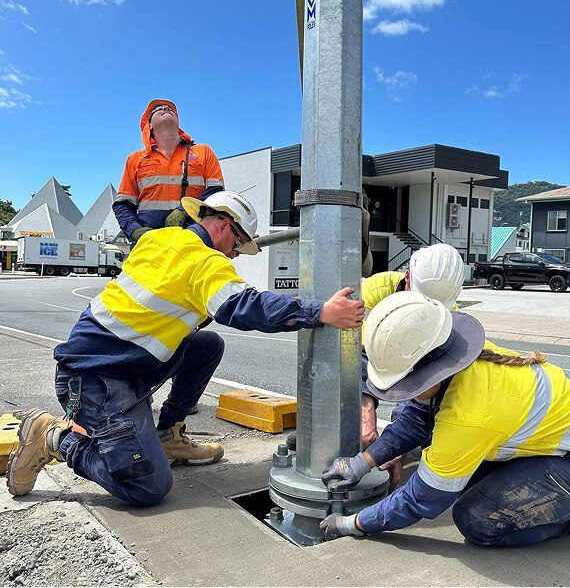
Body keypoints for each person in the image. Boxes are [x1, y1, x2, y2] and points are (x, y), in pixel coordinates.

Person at [7, 191, 365, 507]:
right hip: (95, 381)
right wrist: (319, 312)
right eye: (238, 244)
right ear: (224, 226)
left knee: (205, 344)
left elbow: (170, 298)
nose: (236, 255)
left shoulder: (159, 240)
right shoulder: (204, 263)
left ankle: (167, 435)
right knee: (148, 487)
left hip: (119, 364)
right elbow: (244, 306)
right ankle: (55, 437)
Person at [319, 291, 570, 545]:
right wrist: (362, 462)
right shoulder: (461, 359)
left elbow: (422, 498)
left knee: (477, 521)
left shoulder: (469, 415)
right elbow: (415, 420)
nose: (403, 394)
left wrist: (354, 524)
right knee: (460, 481)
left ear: (428, 374)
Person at [359, 243, 465, 490]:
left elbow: (423, 382)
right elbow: (360, 355)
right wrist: (366, 411)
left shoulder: (451, 319)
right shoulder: (376, 290)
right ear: (407, 277)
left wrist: (398, 444)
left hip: (413, 369)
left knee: (433, 418)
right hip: (376, 355)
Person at [113, 99, 224, 244]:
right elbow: (123, 205)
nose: (166, 108)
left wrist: (184, 209)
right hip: (150, 245)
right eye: (158, 109)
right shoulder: (135, 160)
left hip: (193, 242)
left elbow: (216, 193)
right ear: (150, 125)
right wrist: (135, 231)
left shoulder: (203, 152)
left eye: (171, 109)